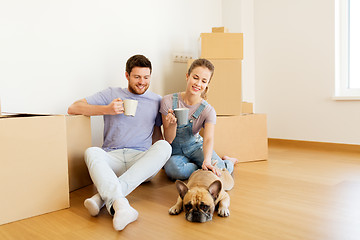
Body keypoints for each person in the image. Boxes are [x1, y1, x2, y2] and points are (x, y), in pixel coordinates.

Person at [68, 54, 171, 231]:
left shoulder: (156, 101)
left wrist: (169, 129)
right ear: (127, 76)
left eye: (146, 77)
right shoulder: (111, 94)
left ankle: (102, 198)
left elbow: (159, 136)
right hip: (112, 157)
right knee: (91, 152)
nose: (142, 82)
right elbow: (73, 108)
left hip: (140, 160)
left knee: (164, 147)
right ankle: (121, 206)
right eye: (137, 77)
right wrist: (106, 109)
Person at [160, 58, 238, 180]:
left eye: (204, 81)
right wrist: (172, 125)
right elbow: (168, 139)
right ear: (187, 76)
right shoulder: (168, 101)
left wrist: (207, 161)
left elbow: (208, 139)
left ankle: (229, 162)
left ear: (207, 84)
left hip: (196, 147)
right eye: (195, 78)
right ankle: (202, 168)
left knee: (220, 170)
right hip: (175, 151)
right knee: (173, 171)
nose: (198, 84)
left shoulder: (208, 110)